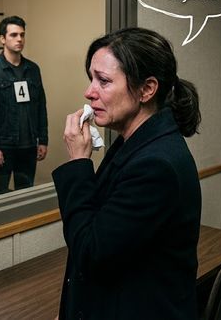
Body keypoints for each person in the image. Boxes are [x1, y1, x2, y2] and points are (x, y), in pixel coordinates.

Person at [52, 27, 202, 319]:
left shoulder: (155, 164)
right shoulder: (133, 143)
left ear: (147, 89)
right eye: (91, 78)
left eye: (104, 81)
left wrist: (78, 163)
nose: (89, 92)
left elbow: (92, 252)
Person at [0, 16, 48, 195]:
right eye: (14, 35)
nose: (19, 39)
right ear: (2, 38)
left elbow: (41, 106)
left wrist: (43, 140)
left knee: (25, 194)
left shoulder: (33, 69)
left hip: (29, 145)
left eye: (22, 35)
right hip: (3, 146)